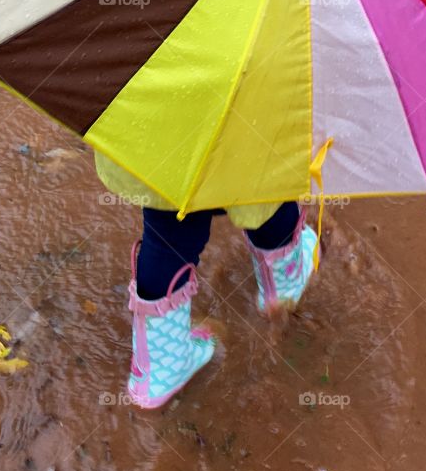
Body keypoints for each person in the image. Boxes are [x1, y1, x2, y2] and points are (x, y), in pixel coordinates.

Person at [97, 153, 319, 409]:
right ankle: (283, 287)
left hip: (163, 144)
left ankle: (161, 370)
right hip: (241, 145)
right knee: (267, 187)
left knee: (168, 228)